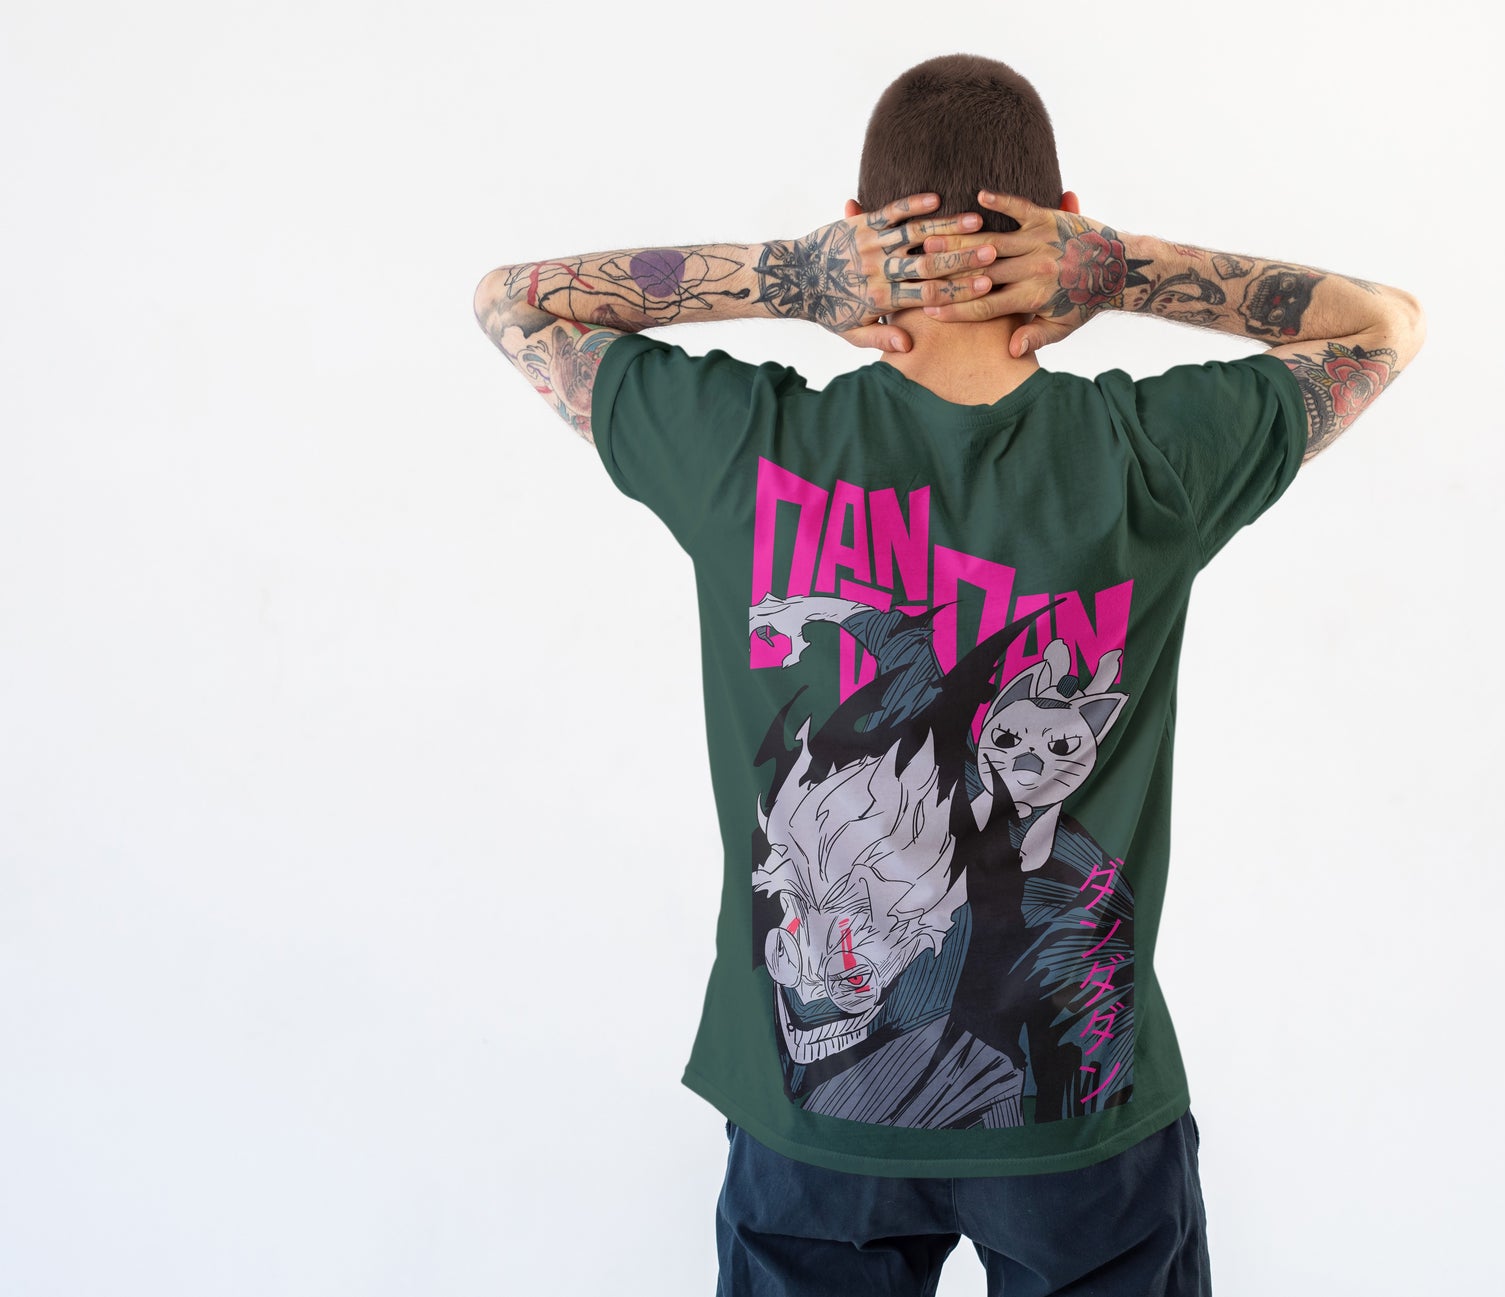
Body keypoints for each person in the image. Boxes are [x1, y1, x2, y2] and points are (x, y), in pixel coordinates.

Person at [472, 51, 1425, 1297]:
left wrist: (784, 277)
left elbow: (511, 302)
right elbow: (1383, 326)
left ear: (856, 228)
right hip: (1077, 1127)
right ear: (1061, 224)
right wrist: (1122, 270)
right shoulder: (1144, 457)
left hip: (815, 1132)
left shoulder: (745, 448)